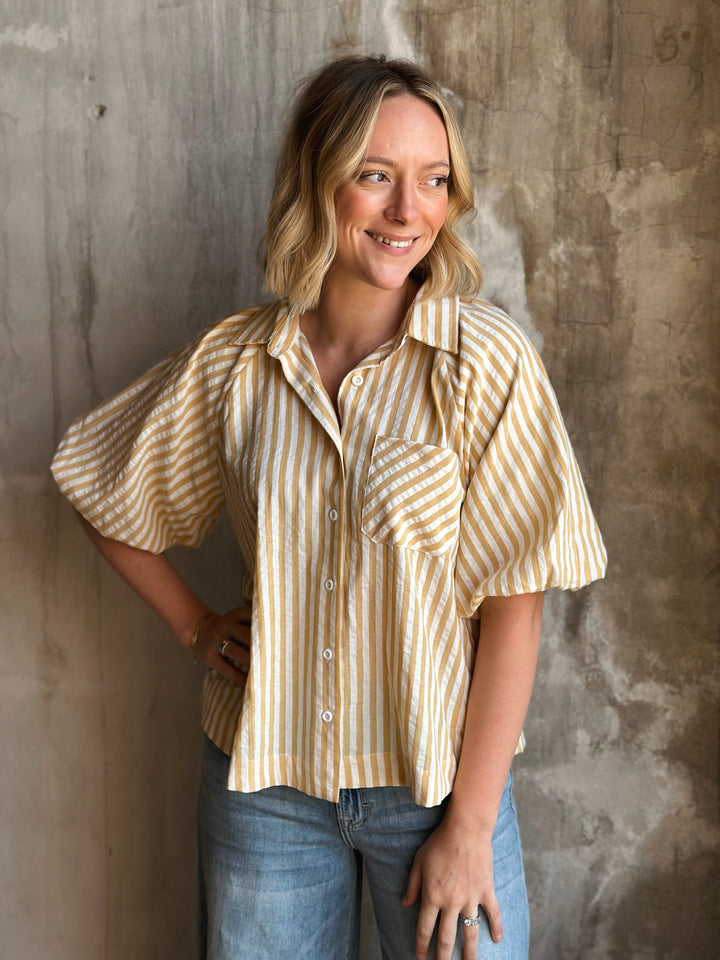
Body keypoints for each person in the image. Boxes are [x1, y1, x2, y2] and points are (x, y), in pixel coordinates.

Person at [52, 55, 606, 960]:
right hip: (263, 791)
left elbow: (517, 607)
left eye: (433, 181)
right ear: (319, 183)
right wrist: (195, 627)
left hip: (434, 789)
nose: (407, 212)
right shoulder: (238, 364)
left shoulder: (484, 363)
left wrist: (468, 828)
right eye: (375, 176)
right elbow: (97, 481)